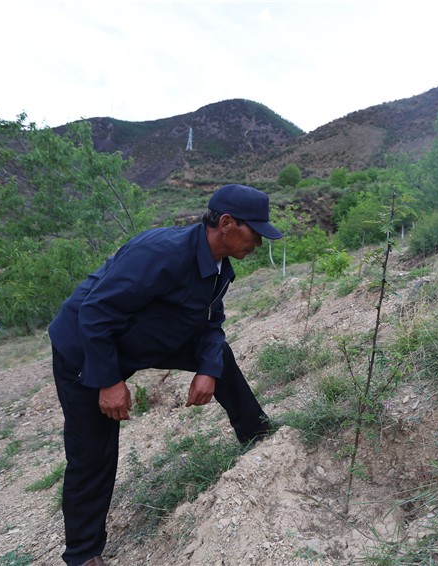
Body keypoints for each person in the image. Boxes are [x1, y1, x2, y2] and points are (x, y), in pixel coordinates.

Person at [48, 184, 283, 566]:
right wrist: (109, 381)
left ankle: (257, 434)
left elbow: (211, 323)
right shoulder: (161, 253)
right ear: (226, 223)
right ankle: (83, 553)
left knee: (218, 358)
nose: (258, 242)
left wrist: (207, 370)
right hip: (84, 348)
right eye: (254, 232)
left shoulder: (219, 267)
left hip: (143, 338)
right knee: (92, 451)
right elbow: (95, 313)